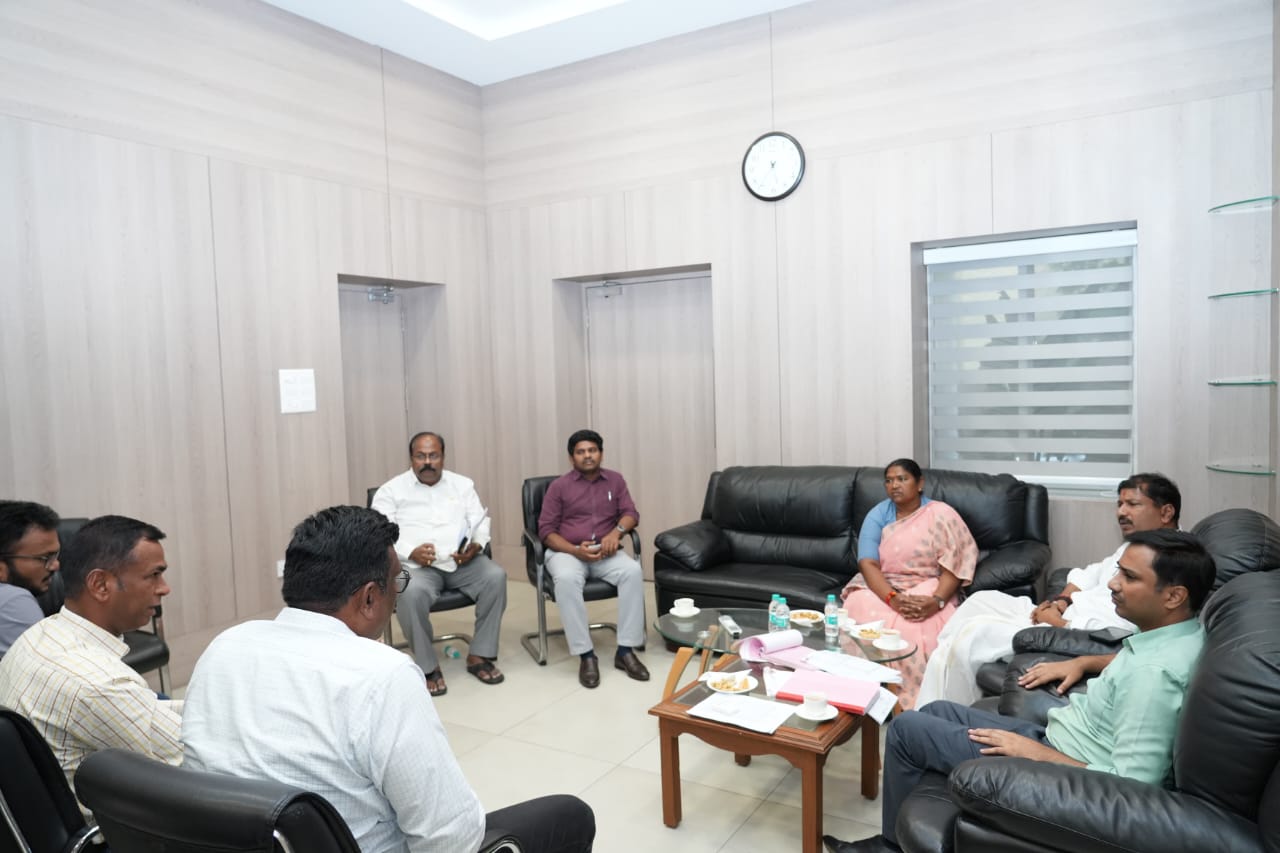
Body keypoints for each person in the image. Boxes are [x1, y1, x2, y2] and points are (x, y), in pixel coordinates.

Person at [182, 506, 595, 853]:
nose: (398, 593)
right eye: (397, 581)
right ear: (368, 597)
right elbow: (451, 841)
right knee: (570, 815)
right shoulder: (383, 676)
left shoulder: (225, 647)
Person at [823, 528, 1214, 853]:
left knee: (906, 729)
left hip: (1059, 768)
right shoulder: (1172, 637)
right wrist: (1084, 661)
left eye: (1129, 577)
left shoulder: (1154, 674)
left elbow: (1133, 788)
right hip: (1062, 741)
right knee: (938, 710)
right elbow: (1133, 670)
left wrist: (1036, 754)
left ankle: (891, 847)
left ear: (1174, 596)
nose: (1113, 583)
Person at [915, 473, 1181, 707]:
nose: (1121, 512)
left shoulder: (1169, 561)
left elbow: (1123, 627)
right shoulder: (1136, 545)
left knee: (969, 638)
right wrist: (1060, 601)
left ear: (1166, 512)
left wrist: (1059, 623)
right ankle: (935, 686)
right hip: (1062, 615)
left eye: (1133, 504)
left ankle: (941, 715)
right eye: (1120, 504)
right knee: (980, 600)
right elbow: (1089, 574)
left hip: (1072, 633)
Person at [0, 514, 181, 809]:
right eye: (153, 575)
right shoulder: (99, 683)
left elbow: (143, 710)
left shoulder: (40, 634)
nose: (164, 588)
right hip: (111, 828)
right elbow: (197, 764)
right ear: (100, 585)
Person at [371, 431, 507, 697]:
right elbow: (379, 534)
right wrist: (410, 551)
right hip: (413, 567)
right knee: (409, 591)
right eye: (420, 456)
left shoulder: (462, 485)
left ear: (443, 457)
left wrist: (476, 546)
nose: (427, 462)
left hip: (461, 562)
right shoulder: (390, 491)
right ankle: (427, 666)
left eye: (433, 455)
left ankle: (479, 655)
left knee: (496, 576)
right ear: (411, 458)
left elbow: (480, 521)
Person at [840, 459, 978, 709]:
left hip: (928, 582)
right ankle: (864, 694)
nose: (894, 485)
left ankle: (914, 702)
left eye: (902, 479)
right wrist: (892, 597)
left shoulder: (941, 514)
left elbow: (955, 564)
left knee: (919, 624)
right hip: (884, 582)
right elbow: (868, 563)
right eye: (889, 480)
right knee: (857, 604)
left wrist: (937, 601)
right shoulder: (878, 515)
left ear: (919, 483)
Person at [538, 428, 649, 688]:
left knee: (632, 571)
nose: (587, 456)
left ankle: (625, 651)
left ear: (601, 453)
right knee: (566, 579)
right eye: (581, 452)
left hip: (605, 552)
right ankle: (586, 655)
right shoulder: (559, 487)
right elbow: (545, 531)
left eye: (592, 450)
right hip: (567, 552)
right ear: (571, 457)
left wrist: (616, 532)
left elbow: (631, 514)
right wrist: (574, 550)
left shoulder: (615, 480)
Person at [0, 500, 61, 656]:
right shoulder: (12, 600)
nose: (55, 565)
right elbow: (54, 667)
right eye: (44, 558)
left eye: (55, 555)